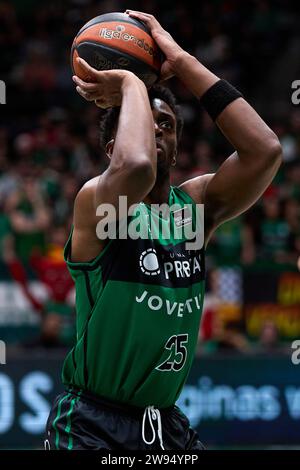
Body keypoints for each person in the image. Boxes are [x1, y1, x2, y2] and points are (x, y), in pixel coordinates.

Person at [45, 11, 282, 450]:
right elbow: (135, 168)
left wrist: (182, 60)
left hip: (166, 427)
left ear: (177, 146)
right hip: (92, 424)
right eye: (145, 122)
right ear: (112, 147)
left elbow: (264, 150)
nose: (157, 129)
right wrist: (133, 83)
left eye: (168, 125)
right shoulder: (98, 203)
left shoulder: (194, 209)